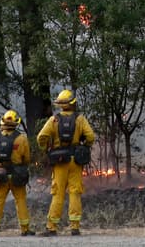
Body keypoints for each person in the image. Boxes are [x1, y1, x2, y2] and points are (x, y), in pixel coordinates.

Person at [35, 89, 95, 236]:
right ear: (72, 103)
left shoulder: (53, 120)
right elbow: (91, 137)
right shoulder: (79, 119)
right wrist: (84, 145)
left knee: (58, 194)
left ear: (60, 105)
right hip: (75, 160)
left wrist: (46, 149)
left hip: (59, 161)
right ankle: (75, 227)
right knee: (75, 192)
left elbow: (41, 137)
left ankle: (52, 227)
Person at [0, 109, 34, 237]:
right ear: (16, 123)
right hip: (17, 175)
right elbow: (27, 158)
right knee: (20, 200)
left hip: (1, 175)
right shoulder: (21, 139)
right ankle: (25, 229)